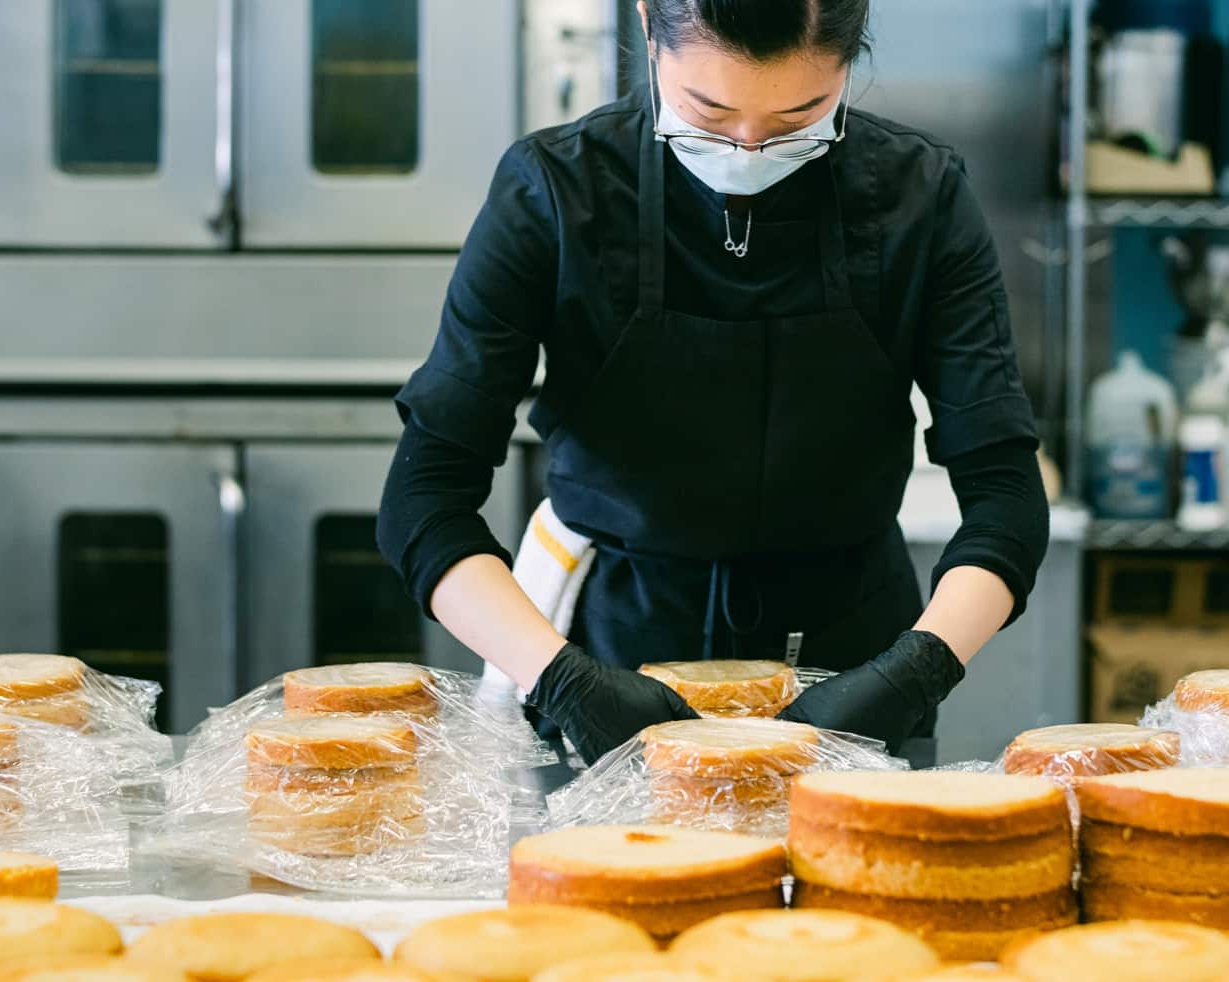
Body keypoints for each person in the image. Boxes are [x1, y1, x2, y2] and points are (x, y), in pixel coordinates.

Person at [377, 0, 1047, 763]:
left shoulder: (920, 197)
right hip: (607, 658)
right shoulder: (556, 191)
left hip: (858, 657)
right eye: (708, 111)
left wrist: (917, 670)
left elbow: (1006, 498)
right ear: (647, 30)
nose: (749, 146)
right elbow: (424, 500)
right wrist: (561, 680)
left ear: (850, 61)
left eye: (799, 116)